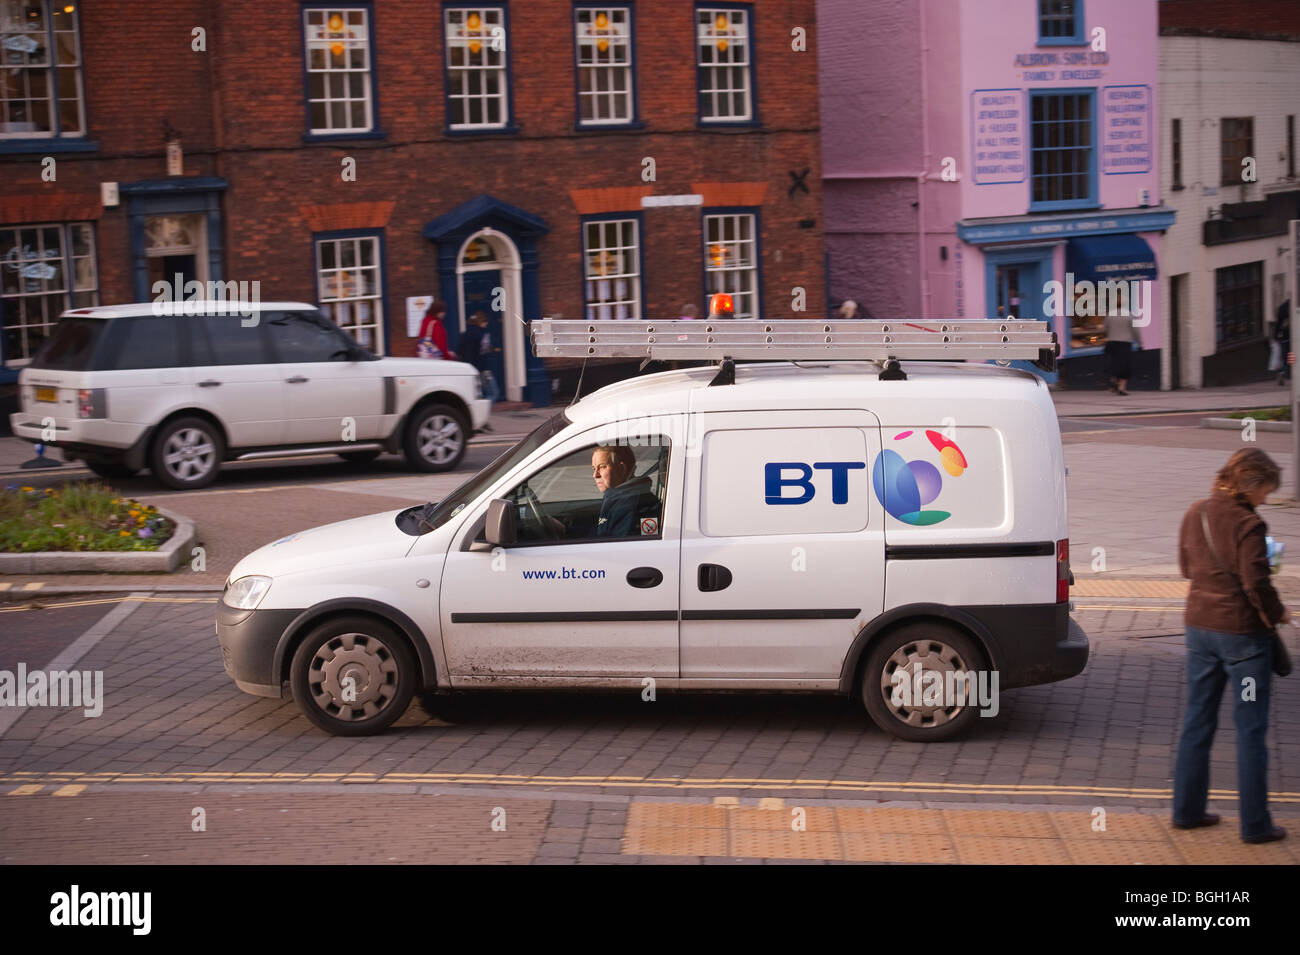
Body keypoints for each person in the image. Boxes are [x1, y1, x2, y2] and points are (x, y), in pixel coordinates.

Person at [1174, 448, 1288, 843]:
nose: (1266, 500)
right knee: (1251, 731)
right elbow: (1256, 583)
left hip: (1199, 630)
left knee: (1197, 722)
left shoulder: (1197, 512)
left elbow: (1187, 569)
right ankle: (1256, 825)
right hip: (1243, 641)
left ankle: (1186, 812)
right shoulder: (1249, 526)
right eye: (1265, 491)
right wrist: (1279, 614)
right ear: (1250, 484)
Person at [591, 445, 649, 537]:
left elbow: (608, 543)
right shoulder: (617, 497)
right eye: (594, 468)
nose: (595, 475)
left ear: (621, 469)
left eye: (602, 467)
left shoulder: (627, 505)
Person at [459, 310, 500, 402]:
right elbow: (485, 352)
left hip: (468, 369)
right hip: (482, 369)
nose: (486, 324)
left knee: (477, 395)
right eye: (485, 322)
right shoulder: (483, 334)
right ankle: (482, 412)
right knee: (493, 393)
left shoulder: (465, 333)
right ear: (482, 321)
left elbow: (459, 351)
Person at [1103, 310, 1141, 395]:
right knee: (1125, 365)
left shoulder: (1110, 315)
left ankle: (1113, 380)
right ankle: (1121, 388)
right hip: (1125, 343)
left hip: (1111, 342)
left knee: (1114, 363)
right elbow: (1135, 330)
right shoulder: (1129, 315)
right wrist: (1140, 343)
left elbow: (1104, 328)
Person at [1274, 300, 1290, 387]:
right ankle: (1283, 372)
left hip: (1285, 337)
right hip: (1292, 336)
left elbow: (1278, 323)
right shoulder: (1289, 307)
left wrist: (1276, 336)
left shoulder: (1283, 307)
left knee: (1285, 357)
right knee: (1290, 357)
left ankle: (1282, 372)